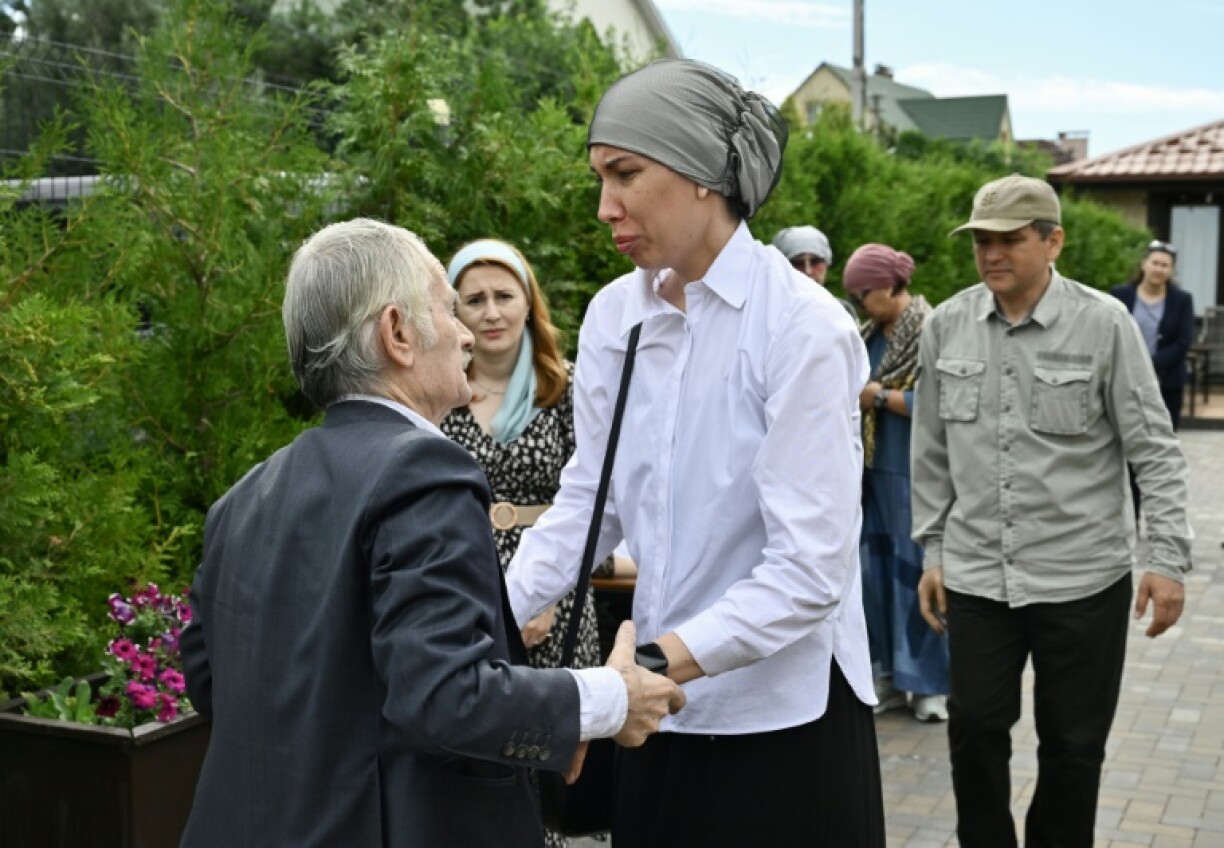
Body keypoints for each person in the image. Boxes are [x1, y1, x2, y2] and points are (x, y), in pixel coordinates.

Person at [179, 218, 684, 848]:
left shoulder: (243, 497)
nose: (467, 331)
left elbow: (209, 678)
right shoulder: (424, 469)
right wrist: (610, 699)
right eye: (450, 308)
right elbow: (445, 693)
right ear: (398, 333)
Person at [507, 58, 886, 847]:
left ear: (702, 176)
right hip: (656, 713)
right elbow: (591, 502)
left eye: (625, 174)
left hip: (781, 718)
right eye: (599, 177)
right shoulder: (617, 318)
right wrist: (481, 619)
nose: (604, 205)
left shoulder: (801, 329)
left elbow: (809, 573)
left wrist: (645, 664)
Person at [911, 174, 1193, 848]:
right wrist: (935, 551)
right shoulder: (946, 325)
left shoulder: (1104, 324)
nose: (992, 253)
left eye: (1010, 238)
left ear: (1053, 241)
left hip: (1084, 578)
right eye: (982, 239)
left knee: (1073, 746)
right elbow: (932, 454)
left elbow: (1153, 447)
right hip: (979, 574)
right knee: (974, 727)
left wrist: (1166, 559)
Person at [439, 238, 602, 848]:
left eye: (504, 295)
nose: (490, 311)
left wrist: (548, 594)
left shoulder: (565, 390)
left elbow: (595, 498)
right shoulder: (441, 397)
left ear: (528, 302)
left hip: (557, 586)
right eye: (473, 299)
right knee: (485, 742)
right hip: (466, 580)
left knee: (557, 742)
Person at [843, 243, 947, 722]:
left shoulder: (932, 329)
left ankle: (928, 686)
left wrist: (879, 397)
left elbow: (940, 400)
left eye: (862, 293)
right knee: (872, 580)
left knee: (914, 577)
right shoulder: (867, 335)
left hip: (914, 474)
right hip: (869, 475)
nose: (860, 302)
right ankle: (883, 676)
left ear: (889, 286)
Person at [1111, 240, 1195, 429]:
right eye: (1155, 263)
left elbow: (1183, 342)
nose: (1159, 269)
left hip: (1166, 382)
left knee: (1164, 435)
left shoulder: (1182, 300)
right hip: (1125, 379)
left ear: (1171, 270)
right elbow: (1108, 333)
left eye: (1165, 265)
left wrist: (1149, 364)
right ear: (1144, 264)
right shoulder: (1120, 295)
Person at [772, 224, 857, 317]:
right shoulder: (769, 315)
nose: (808, 271)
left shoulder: (843, 312)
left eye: (815, 261)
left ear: (827, 263)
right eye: (797, 263)